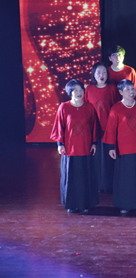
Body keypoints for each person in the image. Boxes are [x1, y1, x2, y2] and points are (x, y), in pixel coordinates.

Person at [104, 80, 136, 216]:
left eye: (132, 89)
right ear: (121, 92)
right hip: (123, 149)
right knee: (124, 177)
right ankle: (124, 204)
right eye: (127, 89)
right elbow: (111, 130)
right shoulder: (116, 109)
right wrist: (111, 147)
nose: (131, 92)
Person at [51, 80, 100, 213]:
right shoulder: (64, 107)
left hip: (85, 147)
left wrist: (94, 143)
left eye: (81, 90)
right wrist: (60, 144)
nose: (79, 93)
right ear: (70, 92)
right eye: (76, 90)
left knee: (85, 176)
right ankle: (72, 204)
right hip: (70, 149)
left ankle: (85, 204)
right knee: (70, 177)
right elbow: (59, 127)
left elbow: (94, 127)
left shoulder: (89, 107)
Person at [85, 62, 119, 193]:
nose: (101, 75)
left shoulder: (112, 88)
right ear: (93, 74)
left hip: (109, 128)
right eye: (98, 72)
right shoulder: (89, 89)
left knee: (109, 157)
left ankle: (109, 184)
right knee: (96, 157)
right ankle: (97, 185)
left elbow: (117, 107)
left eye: (104, 72)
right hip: (94, 128)